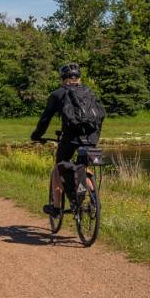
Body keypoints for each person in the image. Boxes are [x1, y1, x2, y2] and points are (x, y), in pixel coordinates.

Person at [31, 63, 103, 216]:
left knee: (59, 166)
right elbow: (100, 115)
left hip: (71, 138)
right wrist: (94, 137)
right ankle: (94, 200)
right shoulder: (90, 93)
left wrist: (36, 135)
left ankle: (56, 208)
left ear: (63, 79)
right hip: (91, 137)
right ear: (79, 77)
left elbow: (45, 118)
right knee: (84, 166)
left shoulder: (58, 94)